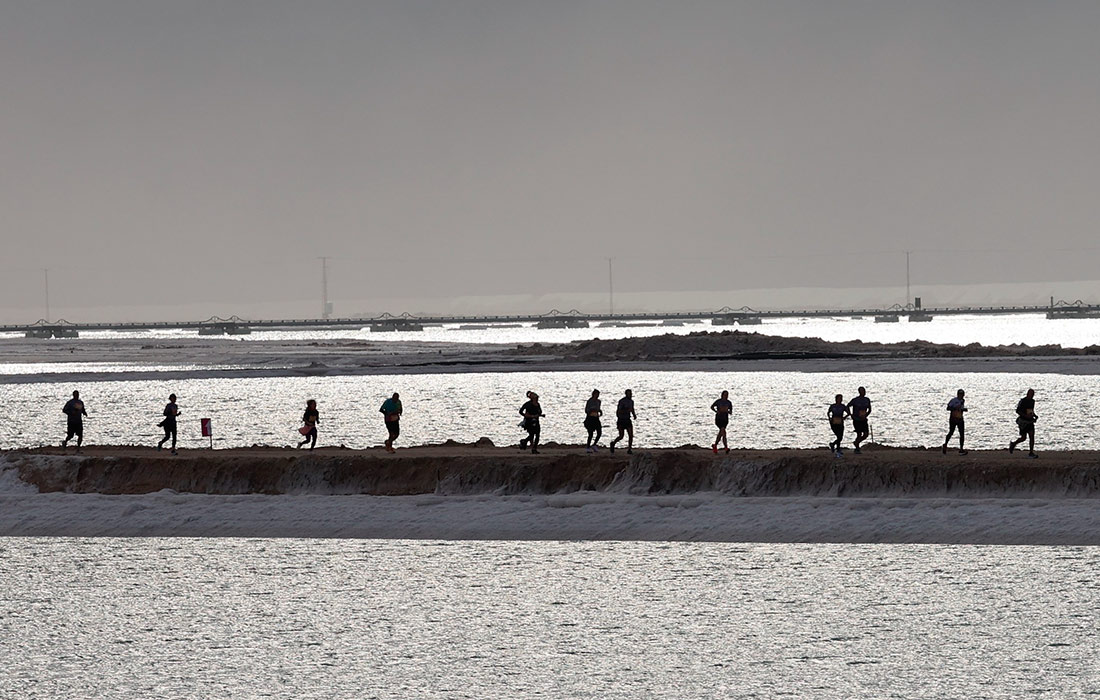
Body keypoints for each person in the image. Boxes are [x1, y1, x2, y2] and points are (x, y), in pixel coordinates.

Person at [1009, 388, 1038, 458]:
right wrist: (1026, 416)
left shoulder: (1032, 401)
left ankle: (1031, 452)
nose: (1032, 396)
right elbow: (1017, 411)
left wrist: (1034, 415)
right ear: (1027, 394)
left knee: (1032, 436)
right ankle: (1013, 444)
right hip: (1023, 422)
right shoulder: (1023, 401)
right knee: (1023, 438)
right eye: (1031, 394)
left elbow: (1031, 410)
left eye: (1033, 394)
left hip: (1030, 421)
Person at [609, 389, 636, 455]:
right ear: (626, 394)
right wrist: (626, 411)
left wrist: (634, 414)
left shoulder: (631, 401)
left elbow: (632, 409)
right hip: (621, 419)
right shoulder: (622, 401)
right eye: (629, 394)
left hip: (627, 419)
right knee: (621, 436)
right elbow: (619, 411)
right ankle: (613, 443)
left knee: (630, 435)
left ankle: (629, 449)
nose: (630, 395)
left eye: (631, 393)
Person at [942, 389, 968, 455]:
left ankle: (961, 449)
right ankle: (945, 445)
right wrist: (955, 408)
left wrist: (963, 410)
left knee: (962, 434)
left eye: (962, 395)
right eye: (960, 394)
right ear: (958, 394)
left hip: (960, 419)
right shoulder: (953, 400)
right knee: (951, 432)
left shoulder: (963, 401)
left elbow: (961, 409)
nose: (962, 396)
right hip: (953, 418)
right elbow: (948, 408)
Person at [847, 387, 872, 454]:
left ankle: (856, 442)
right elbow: (848, 406)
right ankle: (857, 448)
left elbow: (869, 409)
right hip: (856, 419)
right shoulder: (855, 400)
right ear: (859, 392)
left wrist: (866, 415)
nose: (864, 392)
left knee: (866, 434)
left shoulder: (867, 400)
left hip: (864, 419)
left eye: (864, 391)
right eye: (862, 391)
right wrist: (850, 414)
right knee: (859, 434)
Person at [711, 390, 733, 454]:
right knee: (723, 432)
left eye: (727, 395)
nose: (726, 396)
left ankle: (715, 445)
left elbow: (730, 411)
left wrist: (727, 411)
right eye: (725, 395)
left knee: (721, 433)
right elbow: (712, 407)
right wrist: (716, 411)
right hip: (719, 419)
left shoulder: (729, 403)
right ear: (722, 395)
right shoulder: (718, 401)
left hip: (725, 419)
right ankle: (726, 447)